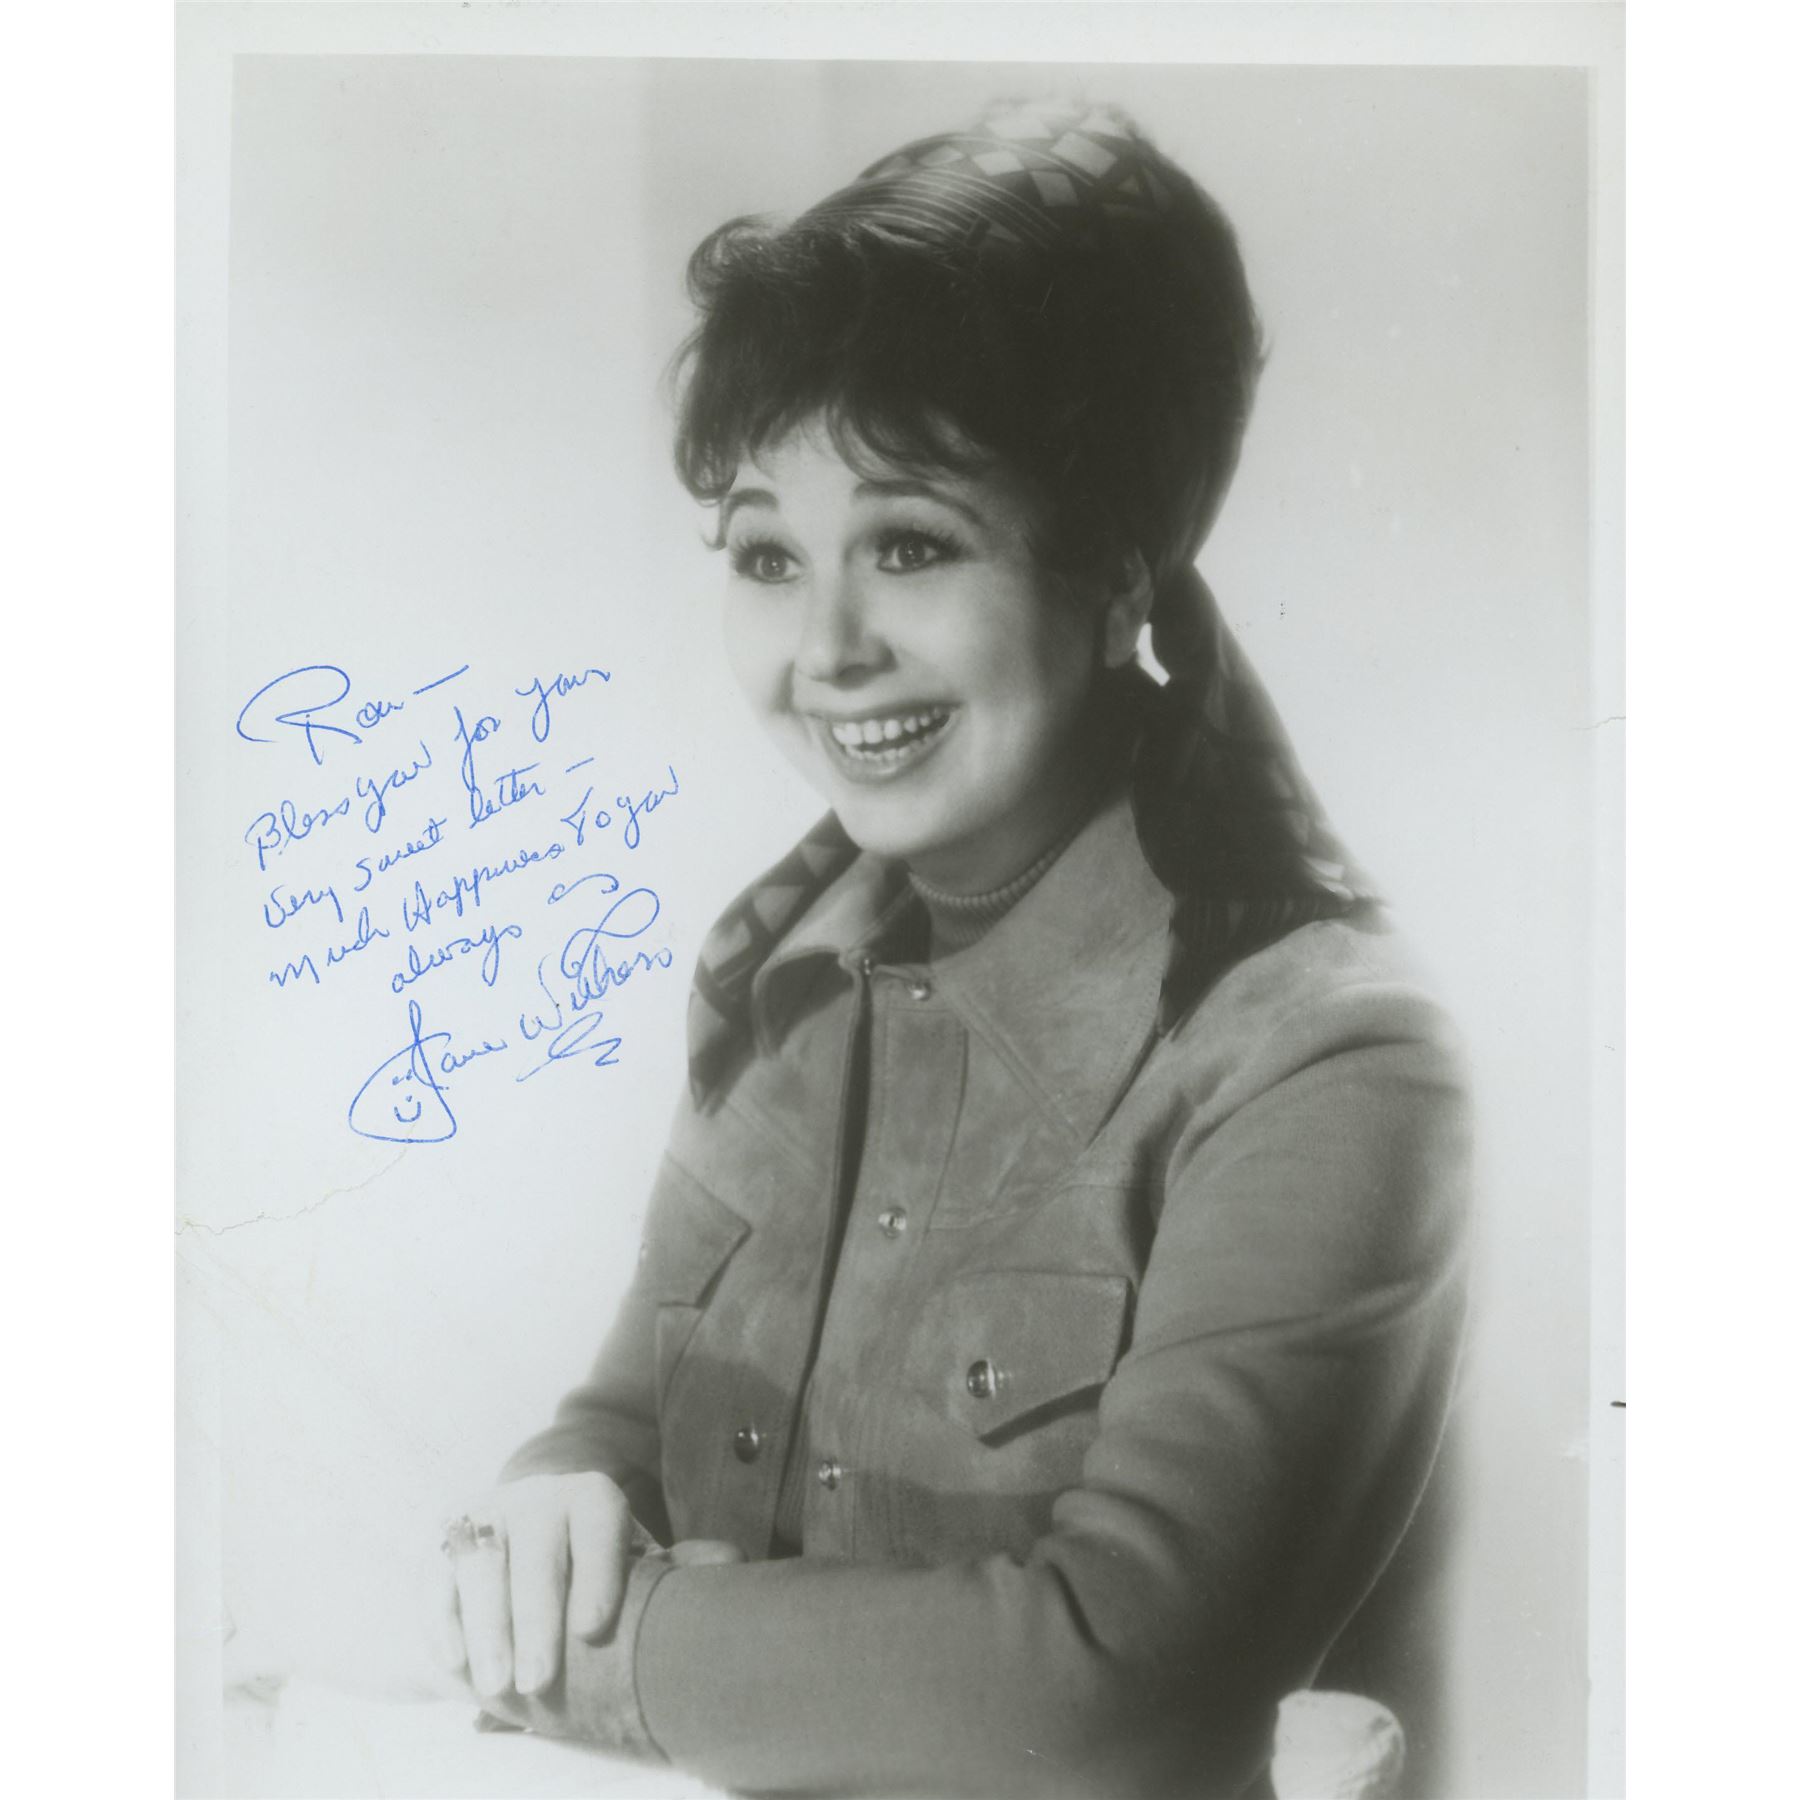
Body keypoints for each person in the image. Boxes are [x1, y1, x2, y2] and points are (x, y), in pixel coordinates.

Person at [430, 101, 1472, 1800]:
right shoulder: (779, 978)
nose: (827, 647)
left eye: (910, 545)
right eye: (768, 556)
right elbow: (626, 1422)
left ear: (1117, 578)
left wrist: (596, 1659)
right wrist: (557, 1493)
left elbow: (1112, 1693)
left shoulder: (1326, 1057)